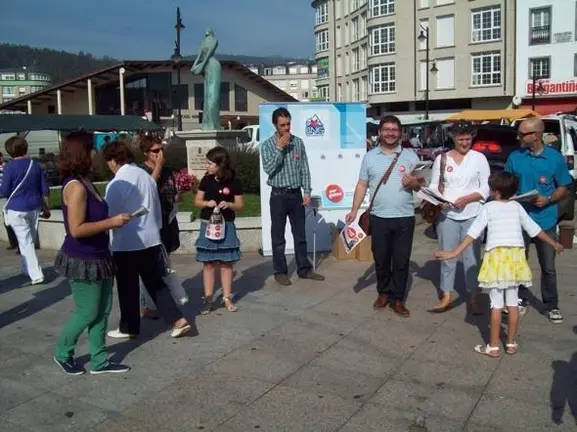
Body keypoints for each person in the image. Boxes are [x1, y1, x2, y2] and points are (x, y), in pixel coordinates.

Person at [435, 172, 563, 357]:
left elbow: (473, 232)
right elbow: (534, 229)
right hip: (515, 258)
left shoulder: (488, 208)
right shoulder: (517, 207)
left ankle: (493, 347)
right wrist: (553, 243)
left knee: (496, 305)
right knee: (512, 303)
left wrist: (454, 252)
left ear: (495, 191)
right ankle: (510, 344)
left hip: (496, 258)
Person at [53, 132, 131, 375]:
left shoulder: (85, 180)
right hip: (82, 258)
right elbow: (76, 229)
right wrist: (112, 222)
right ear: (82, 152)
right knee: (87, 312)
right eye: (92, 148)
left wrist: (112, 221)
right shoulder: (76, 187)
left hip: (100, 255)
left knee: (103, 310)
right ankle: (62, 352)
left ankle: (99, 360)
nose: (96, 152)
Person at [102, 140, 191, 339]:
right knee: (156, 283)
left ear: (113, 160)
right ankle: (178, 320)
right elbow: (156, 208)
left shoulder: (117, 183)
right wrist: (156, 230)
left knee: (127, 287)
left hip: (127, 242)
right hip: (151, 239)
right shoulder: (145, 176)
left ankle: (129, 327)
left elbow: (109, 214)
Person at [345, 115, 423, 317]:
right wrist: (354, 210)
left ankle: (397, 299)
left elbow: (421, 185)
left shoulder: (410, 156)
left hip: (405, 217)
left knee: (401, 260)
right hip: (379, 218)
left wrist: (414, 183)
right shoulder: (369, 157)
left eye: (394, 130)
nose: (390, 133)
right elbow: (362, 185)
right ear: (379, 132)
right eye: (386, 129)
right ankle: (383, 293)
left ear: (400, 133)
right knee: (381, 259)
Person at [505, 117, 573, 323]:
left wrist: (549, 198)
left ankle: (551, 305)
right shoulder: (515, 156)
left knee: (548, 267)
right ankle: (520, 299)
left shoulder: (555, 158)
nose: (518, 137)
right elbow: (506, 182)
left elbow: (564, 186)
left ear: (536, 135)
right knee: (519, 263)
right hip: (520, 219)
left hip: (545, 220)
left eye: (522, 134)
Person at [428, 120, 490, 313]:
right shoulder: (442, 159)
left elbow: (486, 187)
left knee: (472, 258)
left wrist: (468, 199)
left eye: (468, 139)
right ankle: (446, 294)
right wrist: (440, 200)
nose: (464, 143)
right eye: (461, 139)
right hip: (447, 215)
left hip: (473, 214)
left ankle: (473, 296)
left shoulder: (479, 158)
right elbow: (433, 185)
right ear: (453, 138)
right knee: (447, 256)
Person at [260, 107, 324, 286]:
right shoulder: (267, 145)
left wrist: (307, 191)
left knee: (300, 235)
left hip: (296, 194)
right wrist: (279, 148)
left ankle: (304, 269)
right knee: (278, 237)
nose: (286, 128)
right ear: (275, 125)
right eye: (282, 125)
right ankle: (280, 272)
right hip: (278, 195)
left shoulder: (298, 142)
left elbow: (304, 168)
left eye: (288, 124)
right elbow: (269, 169)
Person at [194, 147, 243, 314]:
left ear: (220, 164)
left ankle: (226, 297)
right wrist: (206, 203)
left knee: (226, 263)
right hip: (208, 224)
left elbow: (240, 205)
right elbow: (197, 201)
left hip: (226, 225)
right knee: (208, 263)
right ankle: (208, 298)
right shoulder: (206, 180)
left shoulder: (234, 181)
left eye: (209, 163)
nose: (206, 166)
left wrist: (229, 204)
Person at [137, 135, 182, 319]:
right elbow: (146, 191)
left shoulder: (168, 170)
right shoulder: (141, 171)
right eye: (155, 151)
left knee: (163, 263)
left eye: (161, 149)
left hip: (168, 221)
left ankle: (155, 303)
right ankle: (149, 305)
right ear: (145, 153)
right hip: (151, 224)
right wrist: (158, 167)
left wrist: (180, 195)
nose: (160, 154)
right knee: (151, 266)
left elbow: (172, 193)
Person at [0, 136, 50, 284]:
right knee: (29, 240)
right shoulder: (35, 165)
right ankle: (26, 267)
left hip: (16, 207)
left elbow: (5, 191)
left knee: (26, 241)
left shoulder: (8, 167)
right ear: (26, 148)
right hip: (34, 206)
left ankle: (36, 274)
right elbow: (45, 189)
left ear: (9, 151)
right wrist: (46, 207)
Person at [0, 151, 19, 251]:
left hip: (10, 196)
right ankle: (13, 242)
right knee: (6, 221)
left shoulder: (8, 166)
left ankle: (18, 244)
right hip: (3, 197)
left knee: (13, 220)